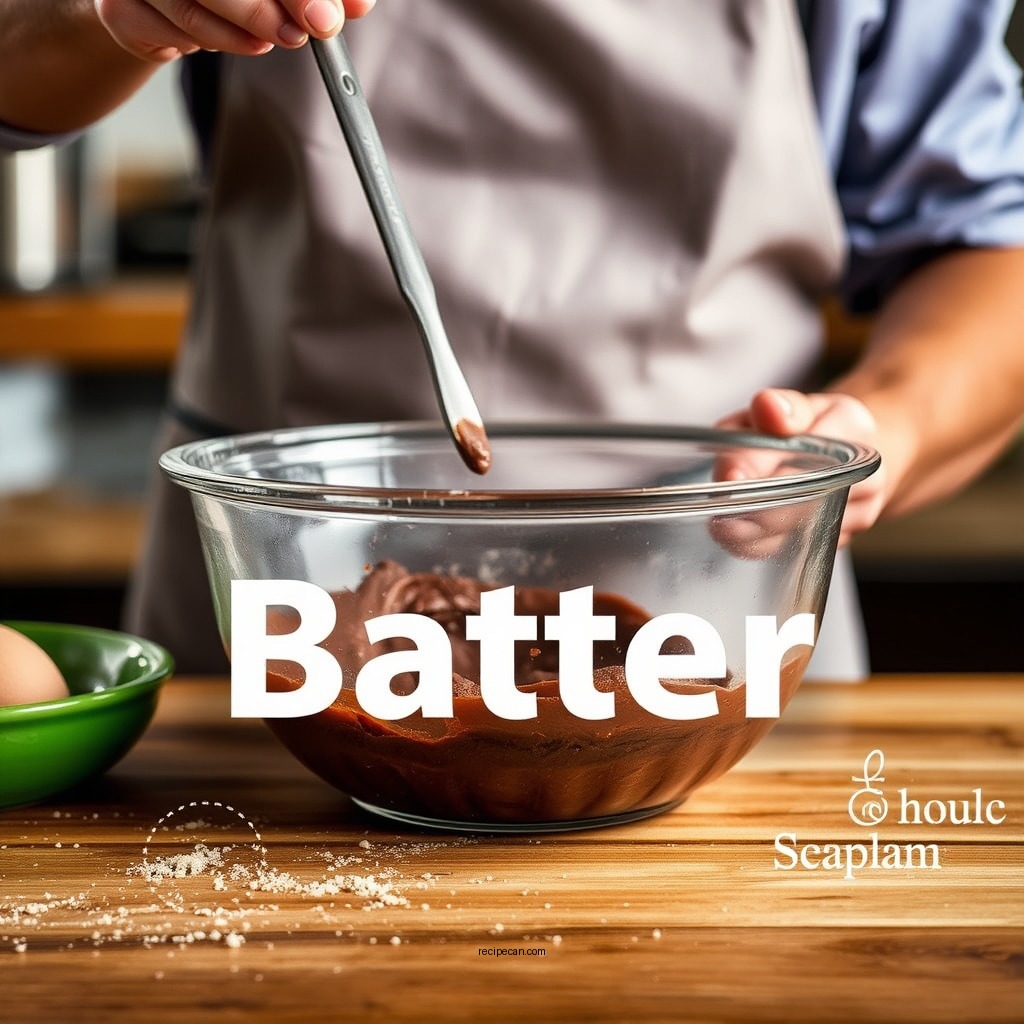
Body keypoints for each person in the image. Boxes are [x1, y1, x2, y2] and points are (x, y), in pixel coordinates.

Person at [2, 1, 1023, 677]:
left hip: (720, 613)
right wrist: (112, 16)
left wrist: (879, 424)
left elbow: (988, 245)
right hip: (295, 613)